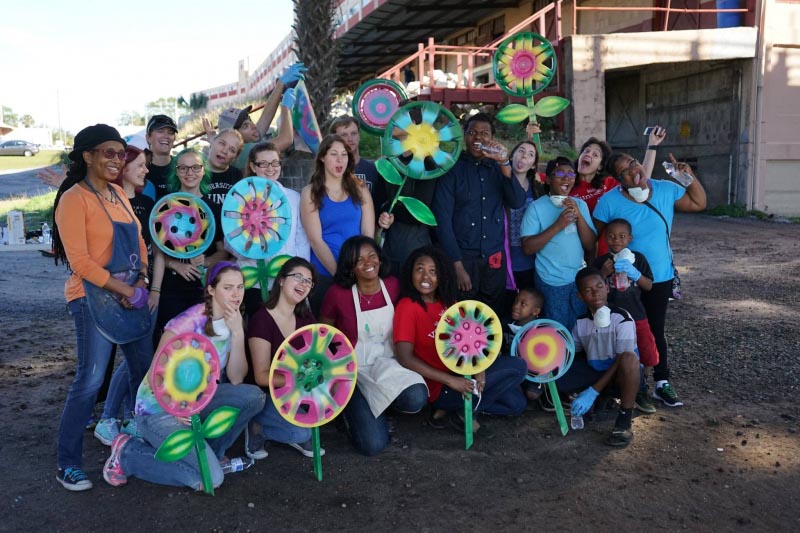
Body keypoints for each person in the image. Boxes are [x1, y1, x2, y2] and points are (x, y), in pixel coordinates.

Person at [102, 262, 265, 491]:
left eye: (240, 287)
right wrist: (176, 408)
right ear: (211, 290)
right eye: (228, 287)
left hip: (197, 403)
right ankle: (128, 452)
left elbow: (237, 378)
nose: (236, 294)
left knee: (253, 397)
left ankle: (211, 454)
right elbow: (155, 375)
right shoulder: (191, 320)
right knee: (212, 480)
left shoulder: (234, 320)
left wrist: (237, 333)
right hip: (159, 409)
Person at [52, 124, 153, 491]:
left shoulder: (118, 195)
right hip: (89, 297)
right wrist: (125, 287)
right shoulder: (73, 199)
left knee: (144, 371)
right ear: (88, 156)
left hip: (130, 295)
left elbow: (140, 242)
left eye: (121, 153)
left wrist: (140, 281)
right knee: (90, 379)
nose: (117, 160)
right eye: (108, 153)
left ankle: (138, 441)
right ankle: (68, 463)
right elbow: (79, 261)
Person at [593, 128, 707, 407]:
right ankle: (631, 384)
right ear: (617, 181)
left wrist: (688, 177)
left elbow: (699, 203)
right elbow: (594, 239)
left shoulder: (665, 189)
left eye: (633, 164)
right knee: (627, 329)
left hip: (660, 276)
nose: (633, 171)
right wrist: (598, 271)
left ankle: (661, 382)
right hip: (624, 280)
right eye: (625, 171)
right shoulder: (609, 201)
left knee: (655, 328)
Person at [393, 246, 527, 437]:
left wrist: (479, 368)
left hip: (463, 373)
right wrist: (451, 381)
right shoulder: (407, 306)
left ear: (442, 275)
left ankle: (460, 411)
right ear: (410, 273)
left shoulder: (448, 302)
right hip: (441, 386)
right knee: (518, 367)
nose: (425, 277)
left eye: (433, 271)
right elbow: (404, 358)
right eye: (419, 269)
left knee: (516, 404)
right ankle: (455, 409)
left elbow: (474, 338)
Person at [321, 237, 427, 456]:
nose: (368, 262)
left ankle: (383, 406)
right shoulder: (337, 295)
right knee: (373, 445)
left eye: (371, 255)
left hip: (389, 362)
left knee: (416, 397)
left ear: (379, 257)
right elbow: (324, 334)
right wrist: (334, 376)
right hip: (354, 371)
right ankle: (350, 412)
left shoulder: (393, 285)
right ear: (350, 267)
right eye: (358, 260)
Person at [432, 112, 526, 312]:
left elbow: (517, 201)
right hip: (463, 260)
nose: (478, 138)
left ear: (491, 138)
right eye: (472, 132)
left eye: (485, 133)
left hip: (494, 259)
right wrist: (456, 266)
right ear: (464, 136)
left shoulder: (498, 167)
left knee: (493, 317)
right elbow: (443, 221)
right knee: (464, 316)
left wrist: (504, 163)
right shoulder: (451, 169)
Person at [93, 145, 155, 445]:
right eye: (141, 165)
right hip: (109, 294)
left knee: (139, 359)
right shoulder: (104, 202)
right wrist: (122, 288)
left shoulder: (141, 201)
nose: (145, 171)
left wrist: (144, 283)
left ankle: (132, 418)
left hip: (139, 290)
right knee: (121, 361)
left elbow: (146, 247)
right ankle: (107, 418)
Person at [246, 257, 322, 459]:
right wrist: (300, 379)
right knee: (299, 432)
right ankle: (257, 427)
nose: (303, 284)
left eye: (308, 281)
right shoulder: (262, 319)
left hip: (297, 392)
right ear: (280, 280)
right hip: (268, 396)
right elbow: (261, 377)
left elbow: (318, 358)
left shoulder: (306, 318)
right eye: (298, 277)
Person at [556, 267, 640, 447]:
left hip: (621, 377)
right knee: (557, 378)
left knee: (629, 358)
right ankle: (600, 397)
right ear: (580, 296)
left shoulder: (622, 318)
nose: (595, 293)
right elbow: (571, 352)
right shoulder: (580, 323)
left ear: (608, 288)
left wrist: (592, 391)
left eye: (599, 286)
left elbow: (622, 359)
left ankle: (624, 420)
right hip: (596, 373)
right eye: (588, 290)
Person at [231, 142, 310, 316]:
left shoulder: (294, 198)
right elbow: (231, 241)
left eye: (275, 163)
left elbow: (301, 240)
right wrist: (251, 252)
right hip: (255, 281)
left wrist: (301, 277)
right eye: (263, 164)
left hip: (287, 281)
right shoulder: (239, 198)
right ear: (252, 166)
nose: (270, 168)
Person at [300, 134, 376, 315]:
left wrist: (361, 268)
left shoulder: (360, 188)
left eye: (344, 154)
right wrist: (339, 274)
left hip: (359, 270)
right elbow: (315, 240)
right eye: (334, 154)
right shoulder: (310, 193)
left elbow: (367, 233)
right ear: (322, 157)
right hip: (324, 273)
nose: (340, 159)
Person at [521, 157, 597, 331]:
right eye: (560, 173)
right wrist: (558, 225)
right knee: (558, 331)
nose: (566, 178)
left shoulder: (580, 204)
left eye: (571, 174)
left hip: (578, 279)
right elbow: (527, 247)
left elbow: (590, 244)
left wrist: (578, 215)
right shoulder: (536, 208)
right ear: (548, 179)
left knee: (581, 328)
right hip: (551, 280)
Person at [592, 218, 659, 414]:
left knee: (646, 349)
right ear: (605, 238)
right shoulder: (601, 261)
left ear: (630, 238)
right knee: (615, 352)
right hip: (612, 319)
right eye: (611, 236)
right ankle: (611, 389)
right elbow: (592, 287)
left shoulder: (638, 259)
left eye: (622, 236)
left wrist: (635, 274)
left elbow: (648, 285)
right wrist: (602, 273)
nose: (616, 240)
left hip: (637, 315)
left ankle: (642, 387)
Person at [148, 148, 212, 346]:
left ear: (203, 171)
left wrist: (205, 260)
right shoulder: (165, 206)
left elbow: (223, 252)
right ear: (175, 171)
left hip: (201, 288)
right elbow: (157, 251)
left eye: (195, 167)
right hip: (171, 289)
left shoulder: (212, 208)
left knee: (198, 344)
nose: (189, 172)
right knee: (169, 344)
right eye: (183, 168)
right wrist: (175, 266)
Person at [210, 62, 306, 171]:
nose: (253, 126)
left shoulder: (245, 144)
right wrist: (286, 108)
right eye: (245, 126)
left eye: (250, 120)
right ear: (234, 136)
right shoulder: (243, 153)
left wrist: (280, 84)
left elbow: (265, 118)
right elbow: (285, 140)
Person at [507, 140, 545, 292]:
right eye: (521, 151)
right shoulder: (498, 183)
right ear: (512, 156)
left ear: (533, 165)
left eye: (530, 155)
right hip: (503, 259)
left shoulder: (538, 190)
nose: (524, 156)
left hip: (530, 261)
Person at [145, 115, 179, 199]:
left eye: (170, 133)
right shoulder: (139, 168)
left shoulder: (181, 166)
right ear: (148, 137)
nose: (166, 136)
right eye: (160, 131)